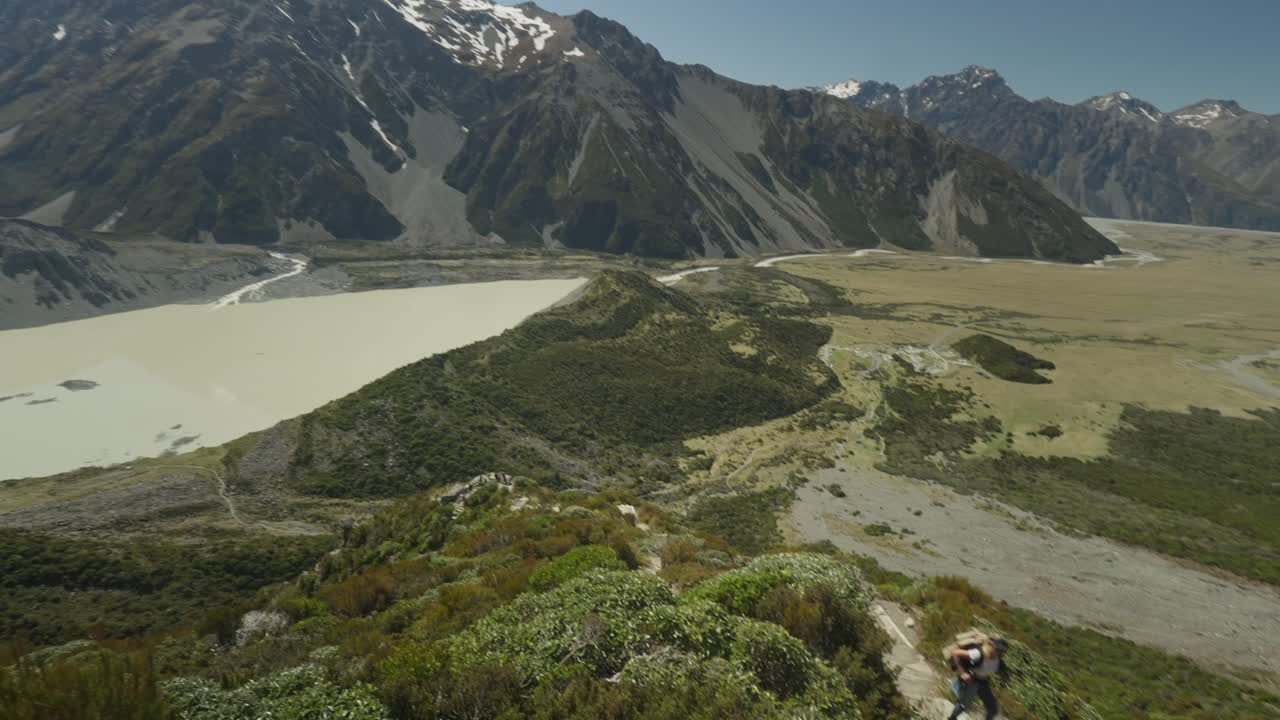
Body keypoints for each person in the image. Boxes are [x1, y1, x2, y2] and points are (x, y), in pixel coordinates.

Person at [947, 636, 1008, 720]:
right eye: (997, 649)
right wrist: (962, 673)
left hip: (984, 682)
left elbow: (1002, 671)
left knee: (993, 709)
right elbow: (955, 653)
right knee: (964, 705)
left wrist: (1005, 678)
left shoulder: (998, 659)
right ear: (991, 645)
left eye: (1002, 651)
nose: (999, 652)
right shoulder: (978, 653)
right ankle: (952, 718)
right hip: (972, 681)